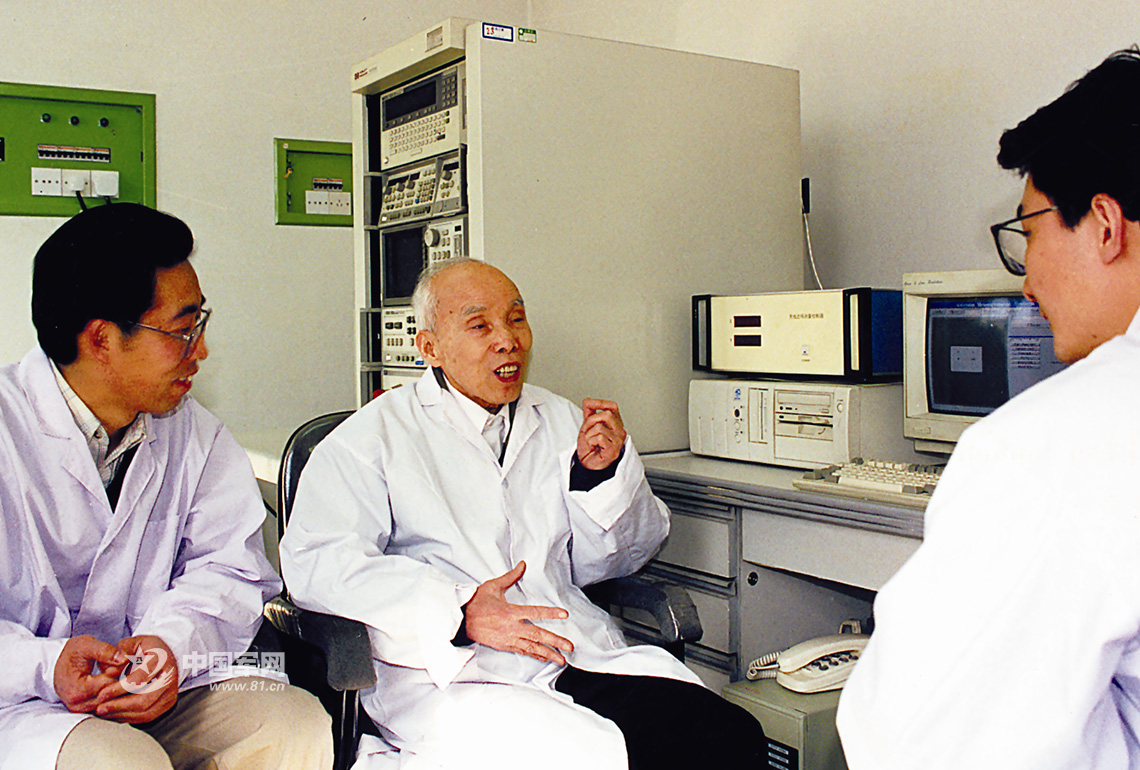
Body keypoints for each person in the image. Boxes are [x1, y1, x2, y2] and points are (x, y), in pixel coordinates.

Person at [280, 258, 766, 769]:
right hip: (457, 674)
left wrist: (598, 478)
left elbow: (618, 560)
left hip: (576, 650)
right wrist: (459, 610)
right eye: (479, 326)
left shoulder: (560, 419)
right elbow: (321, 566)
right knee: (587, 760)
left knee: (728, 735)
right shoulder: (370, 439)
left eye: (516, 319)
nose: (508, 341)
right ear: (430, 347)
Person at [836, 47, 1140, 768]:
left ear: (1105, 224)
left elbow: (920, 743)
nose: (1027, 281)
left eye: (1028, 234)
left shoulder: (1051, 445)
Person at [0, 203, 333, 770]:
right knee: (119, 761)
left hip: (158, 688)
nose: (200, 351)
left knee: (291, 724)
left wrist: (170, 647)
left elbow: (230, 568)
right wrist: (45, 665)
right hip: (20, 699)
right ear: (102, 339)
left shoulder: (193, 433)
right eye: (182, 331)